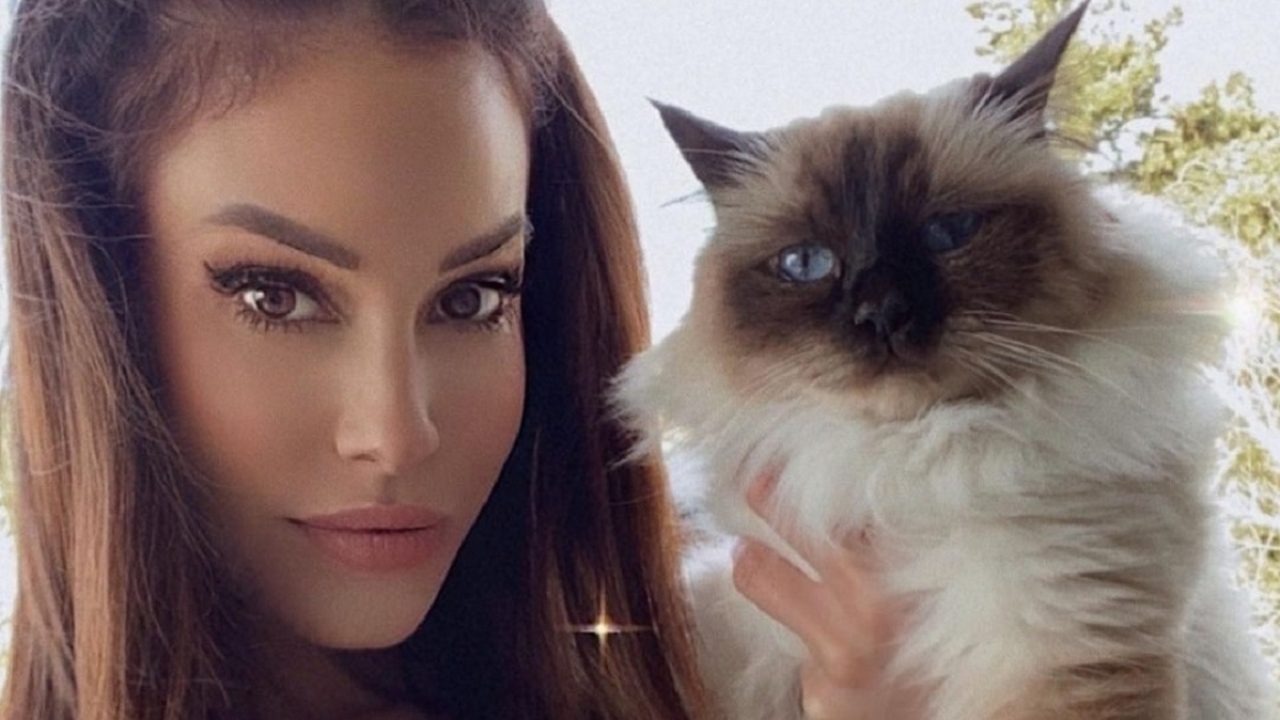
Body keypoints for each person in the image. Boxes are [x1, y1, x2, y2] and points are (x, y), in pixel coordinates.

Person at [0, 1, 895, 718]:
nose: (397, 433)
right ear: (103, 306)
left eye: (473, 299)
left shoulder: (752, 674)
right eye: (274, 296)